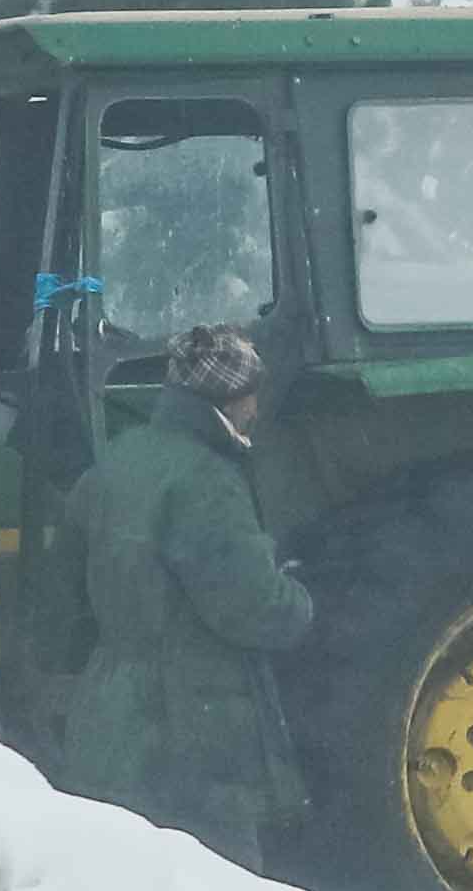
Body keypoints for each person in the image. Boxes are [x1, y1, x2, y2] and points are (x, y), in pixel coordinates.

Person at [48, 322, 311, 861]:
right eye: (250, 398)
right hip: (191, 729)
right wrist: (301, 601)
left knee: (125, 889)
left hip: (108, 720)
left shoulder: (117, 462)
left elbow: (62, 591)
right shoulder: (208, 482)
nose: (256, 411)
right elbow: (251, 607)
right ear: (227, 400)